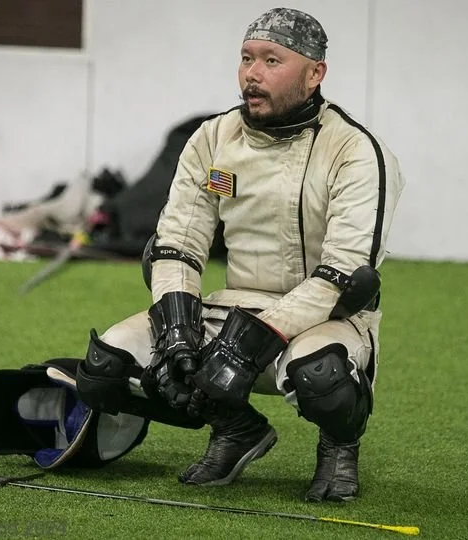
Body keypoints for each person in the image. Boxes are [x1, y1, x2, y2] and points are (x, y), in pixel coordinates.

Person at [75, 6, 405, 502]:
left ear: (315, 74)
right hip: (230, 307)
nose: (252, 74)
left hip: (325, 318)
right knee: (107, 368)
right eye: (247, 58)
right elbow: (177, 244)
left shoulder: (356, 152)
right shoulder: (212, 138)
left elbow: (341, 277)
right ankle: (236, 428)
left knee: (322, 377)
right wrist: (179, 327)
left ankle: (339, 446)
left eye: (272, 61)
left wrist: (245, 345)